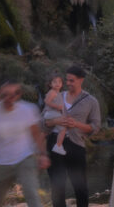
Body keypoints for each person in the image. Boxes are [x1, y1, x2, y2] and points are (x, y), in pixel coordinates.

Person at [0, 81, 51, 207]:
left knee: (32, 193)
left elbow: (36, 134)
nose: (10, 98)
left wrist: (43, 154)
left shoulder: (28, 109)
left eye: (15, 93)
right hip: (0, 162)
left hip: (25, 158)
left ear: (19, 94)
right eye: (5, 95)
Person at [46, 65, 101, 207]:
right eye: (67, 80)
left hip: (76, 145)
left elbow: (95, 128)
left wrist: (76, 124)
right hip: (54, 144)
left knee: (80, 187)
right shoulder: (56, 96)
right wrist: (56, 121)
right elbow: (44, 122)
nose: (68, 83)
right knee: (57, 187)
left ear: (81, 80)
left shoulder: (91, 101)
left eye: (72, 80)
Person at [41, 73, 68, 155]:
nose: (57, 84)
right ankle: (58, 146)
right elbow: (46, 101)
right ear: (50, 84)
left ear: (62, 84)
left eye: (59, 82)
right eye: (55, 82)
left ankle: (37, 145)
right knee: (63, 129)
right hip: (50, 113)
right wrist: (57, 107)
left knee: (45, 132)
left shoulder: (58, 93)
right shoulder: (52, 92)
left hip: (52, 114)